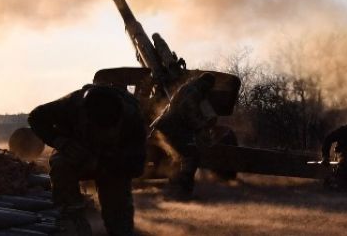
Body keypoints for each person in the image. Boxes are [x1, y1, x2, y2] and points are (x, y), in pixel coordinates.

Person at [28, 84, 147, 236]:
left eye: (107, 131)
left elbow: (136, 167)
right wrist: (61, 142)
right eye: (98, 130)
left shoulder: (134, 120)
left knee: (118, 211)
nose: (102, 135)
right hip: (77, 152)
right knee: (61, 165)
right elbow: (35, 117)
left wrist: (102, 165)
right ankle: (73, 219)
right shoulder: (71, 105)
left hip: (112, 161)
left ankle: (119, 226)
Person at [151, 72, 218, 199]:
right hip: (173, 127)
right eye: (210, 86)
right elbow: (188, 109)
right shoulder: (194, 91)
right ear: (206, 84)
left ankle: (175, 191)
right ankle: (181, 192)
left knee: (181, 158)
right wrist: (200, 125)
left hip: (169, 126)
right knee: (191, 156)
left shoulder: (190, 88)